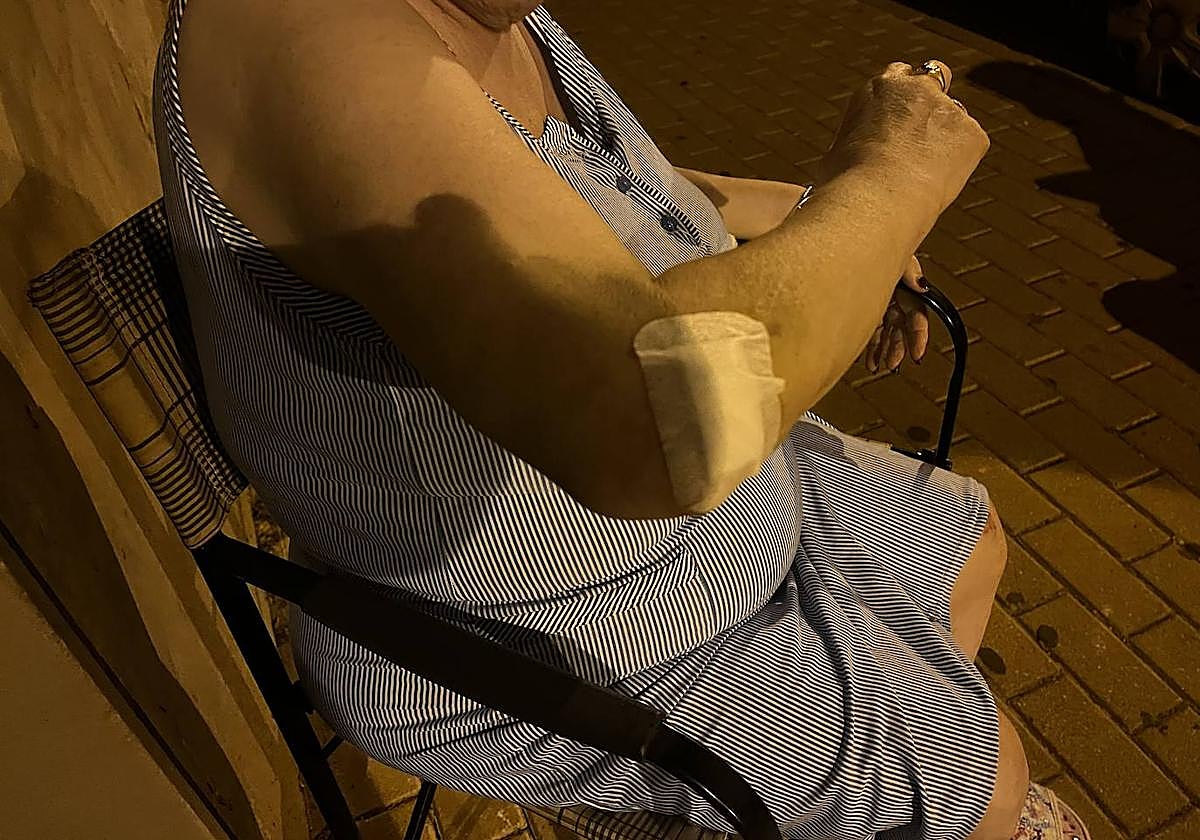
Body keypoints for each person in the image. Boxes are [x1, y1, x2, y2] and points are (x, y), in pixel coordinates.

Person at [153, 0, 1092, 837]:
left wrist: (820, 224)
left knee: (972, 544)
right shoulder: (312, 34)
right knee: (990, 785)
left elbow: (580, 186)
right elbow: (664, 423)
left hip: (721, 526)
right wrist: (890, 180)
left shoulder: (485, 17)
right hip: (550, 626)